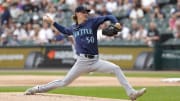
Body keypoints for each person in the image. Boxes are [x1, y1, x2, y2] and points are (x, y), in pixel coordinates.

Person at [24, 6, 146, 101]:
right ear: (77, 14)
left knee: (116, 68)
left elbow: (109, 16)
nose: (86, 14)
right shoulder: (73, 28)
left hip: (96, 61)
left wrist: (116, 22)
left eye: (87, 12)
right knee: (64, 82)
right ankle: (37, 89)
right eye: (84, 12)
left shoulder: (92, 22)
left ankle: (131, 93)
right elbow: (65, 30)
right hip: (82, 61)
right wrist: (52, 22)